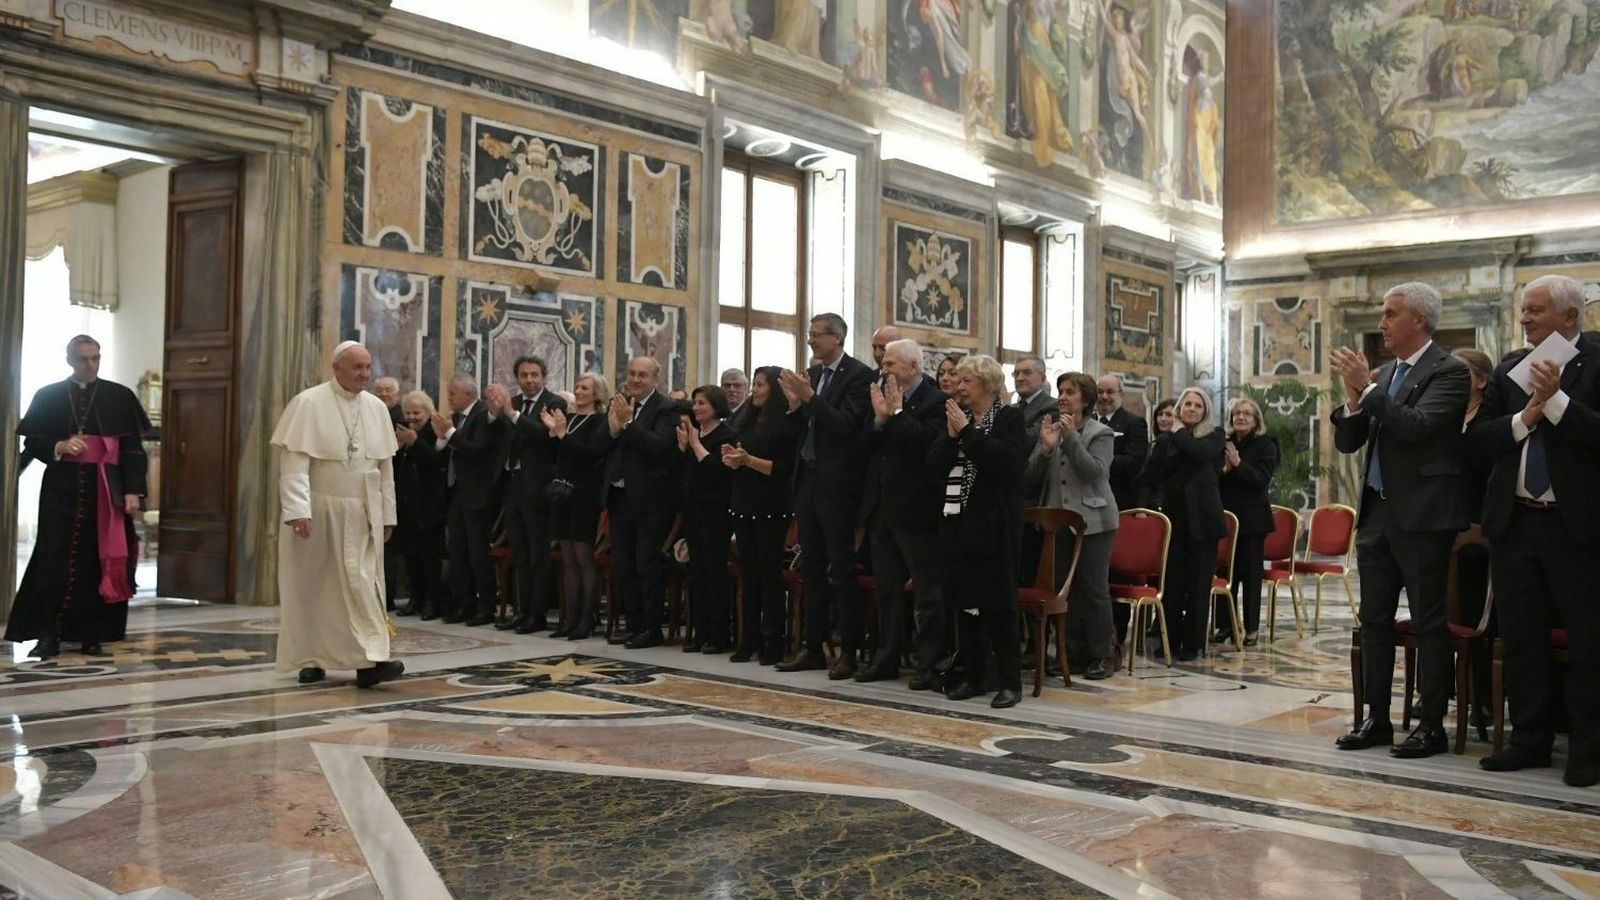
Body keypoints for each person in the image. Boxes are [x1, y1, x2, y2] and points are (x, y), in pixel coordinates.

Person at [1330, 282, 1470, 760]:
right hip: (1377, 512)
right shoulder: (1386, 372)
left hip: (1424, 516)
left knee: (1428, 621)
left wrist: (1368, 390)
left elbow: (1416, 427)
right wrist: (1354, 399)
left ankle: (1431, 725)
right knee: (1374, 619)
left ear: (1420, 320)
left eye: (1391, 314)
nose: (1382, 323)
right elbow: (1349, 442)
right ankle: (1376, 718)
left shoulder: (1449, 371)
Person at [1472, 275, 1599, 787]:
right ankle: (1529, 739)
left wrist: (1557, 402)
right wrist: (1524, 417)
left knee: (1589, 643)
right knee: (1522, 637)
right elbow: (1479, 439)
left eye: (1535, 310)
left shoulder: (1597, 361)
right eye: (1523, 310)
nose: (1524, 318)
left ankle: (1587, 749)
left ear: (1569, 316)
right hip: (1516, 523)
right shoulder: (1510, 367)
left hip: (1578, 528)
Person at [5, 335, 149, 659]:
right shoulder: (49, 395)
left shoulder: (119, 396)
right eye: (84, 359)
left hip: (106, 489)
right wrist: (59, 446)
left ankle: (92, 635)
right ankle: (48, 635)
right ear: (70, 360)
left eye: (96, 358)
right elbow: (33, 442)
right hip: (61, 489)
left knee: (97, 561)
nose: (91, 365)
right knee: (53, 559)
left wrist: (132, 490)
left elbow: (132, 450)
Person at [270, 341, 403, 688]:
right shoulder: (308, 403)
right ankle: (312, 659)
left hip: (361, 513)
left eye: (368, 367)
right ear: (336, 368)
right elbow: (294, 464)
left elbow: (385, 469)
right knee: (315, 588)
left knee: (364, 585)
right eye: (357, 367)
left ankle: (370, 661)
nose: (364, 374)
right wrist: (298, 510)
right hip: (319, 512)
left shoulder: (376, 408)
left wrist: (387, 515)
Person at [776, 313, 874, 677]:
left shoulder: (859, 376)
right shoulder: (812, 375)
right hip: (808, 481)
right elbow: (799, 430)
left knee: (842, 569)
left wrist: (810, 399)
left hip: (839, 486)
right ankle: (813, 646)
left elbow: (845, 426)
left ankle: (848, 651)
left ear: (838, 338)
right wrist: (794, 405)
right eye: (809, 334)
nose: (810, 340)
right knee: (811, 567)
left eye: (817, 335)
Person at [929, 355, 1027, 708]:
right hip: (958, 523)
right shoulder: (961, 419)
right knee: (964, 604)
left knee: (998, 606)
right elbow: (934, 465)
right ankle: (974, 675)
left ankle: (1010, 682)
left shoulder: (1009, 418)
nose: (959, 386)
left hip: (994, 527)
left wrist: (967, 434)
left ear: (987, 384)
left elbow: (1006, 464)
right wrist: (953, 436)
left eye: (966, 381)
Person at [858, 338, 950, 688]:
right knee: (887, 591)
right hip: (882, 508)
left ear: (913, 367)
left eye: (891, 364)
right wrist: (879, 420)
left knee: (927, 593)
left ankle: (928, 664)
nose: (883, 369)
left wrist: (896, 415)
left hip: (918, 511)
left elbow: (929, 446)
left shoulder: (936, 401)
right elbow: (865, 449)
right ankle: (887, 658)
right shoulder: (882, 397)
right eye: (883, 364)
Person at [1025, 371, 1119, 679]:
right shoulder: (1050, 428)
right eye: (1061, 391)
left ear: (1086, 400)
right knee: (1065, 589)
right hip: (1057, 521)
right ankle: (1072, 653)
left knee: (1093, 588)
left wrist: (1072, 439)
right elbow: (1031, 475)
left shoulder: (1100, 432)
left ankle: (1102, 653)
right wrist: (1047, 448)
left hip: (1094, 522)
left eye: (1070, 392)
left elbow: (1096, 473)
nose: (1063, 397)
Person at [604, 356, 685, 649]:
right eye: (632, 374)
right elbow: (605, 445)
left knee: (646, 565)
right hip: (620, 496)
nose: (635, 380)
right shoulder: (622, 403)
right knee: (623, 565)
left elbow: (660, 447)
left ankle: (651, 629)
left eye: (643, 375)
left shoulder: (667, 408)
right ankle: (633, 624)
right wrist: (613, 429)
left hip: (651, 500)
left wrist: (628, 423)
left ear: (655, 379)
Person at [724, 367, 800, 665]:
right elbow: (741, 456)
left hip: (772, 505)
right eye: (754, 384)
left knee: (769, 577)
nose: (754, 390)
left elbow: (783, 470)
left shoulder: (785, 424)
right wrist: (733, 459)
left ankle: (774, 642)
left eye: (759, 385)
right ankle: (748, 640)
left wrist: (748, 460)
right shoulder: (745, 419)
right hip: (743, 501)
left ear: (775, 390)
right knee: (749, 576)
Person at [1144, 387, 1226, 661]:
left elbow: (1199, 454)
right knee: (1173, 584)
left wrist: (1178, 433)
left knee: (1198, 585)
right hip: (1174, 519)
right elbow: (1154, 474)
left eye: (1197, 405)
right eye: (1187, 404)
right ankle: (1170, 640)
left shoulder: (1215, 435)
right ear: (1180, 407)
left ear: (1205, 411)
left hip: (1204, 521)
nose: (1192, 408)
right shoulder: (1166, 439)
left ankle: (1193, 644)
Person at [498, 356, 568, 633]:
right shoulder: (512, 403)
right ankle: (522, 609)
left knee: (538, 554)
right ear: (517, 378)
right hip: (513, 486)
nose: (529, 380)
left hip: (538, 488)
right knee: (520, 553)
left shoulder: (554, 403)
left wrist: (514, 416)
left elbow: (542, 435)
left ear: (544, 377)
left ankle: (537, 613)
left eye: (534, 375)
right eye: (524, 375)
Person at [545, 373, 614, 639]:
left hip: (585, 494)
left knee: (583, 556)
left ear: (597, 393)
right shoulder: (570, 419)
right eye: (577, 387)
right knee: (568, 558)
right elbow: (560, 455)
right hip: (563, 493)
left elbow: (590, 455)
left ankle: (587, 618)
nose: (579, 391)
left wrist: (562, 434)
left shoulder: (601, 421)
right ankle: (569, 618)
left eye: (585, 387)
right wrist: (554, 433)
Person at [432, 373, 504, 626]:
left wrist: (450, 432)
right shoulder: (458, 418)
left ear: (468, 393)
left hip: (479, 495)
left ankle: (486, 606)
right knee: (458, 552)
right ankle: (464, 603)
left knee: (477, 552)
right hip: (458, 493)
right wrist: (443, 436)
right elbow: (449, 451)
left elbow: (476, 449)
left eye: (452, 393)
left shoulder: (482, 414)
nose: (449, 398)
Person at [678, 385, 738, 653]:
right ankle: (700, 633)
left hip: (716, 512)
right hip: (694, 510)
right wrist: (684, 448)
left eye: (702, 403)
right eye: (695, 403)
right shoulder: (696, 433)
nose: (696, 408)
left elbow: (717, 471)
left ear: (716, 405)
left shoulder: (727, 435)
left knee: (715, 573)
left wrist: (694, 445)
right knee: (697, 572)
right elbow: (687, 473)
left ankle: (719, 635)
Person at [1215, 397, 1279, 647]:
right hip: (1226, 519)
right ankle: (1225, 625)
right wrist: (1224, 470)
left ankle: (1251, 628)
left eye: (1246, 414)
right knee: (1225, 573)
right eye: (1236, 413)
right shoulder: (1224, 443)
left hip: (1253, 521)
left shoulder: (1266, 444)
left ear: (1256, 420)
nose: (1240, 417)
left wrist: (1239, 464)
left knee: (1250, 576)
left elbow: (1261, 479)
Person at [1096, 375, 1151, 656]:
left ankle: (1118, 633)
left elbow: (1133, 462)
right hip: (1089, 506)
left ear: (1121, 393)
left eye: (1110, 392)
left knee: (1117, 571)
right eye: (1100, 392)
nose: (1105, 397)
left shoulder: (1134, 424)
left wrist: (1096, 460)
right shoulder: (1089, 422)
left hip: (1120, 505)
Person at [392, 390, 448, 620]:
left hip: (430, 505)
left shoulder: (434, 431)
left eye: (417, 413)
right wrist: (399, 448)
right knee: (410, 555)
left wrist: (414, 443)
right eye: (408, 413)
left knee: (429, 557)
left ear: (428, 412)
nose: (412, 417)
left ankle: (432, 601)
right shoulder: (402, 433)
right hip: (407, 505)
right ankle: (415, 598)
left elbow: (437, 462)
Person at [1011, 354, 1056, 446]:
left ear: (1042, 379)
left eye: (1027, 373)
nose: (1019, 378)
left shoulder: (1052, 406)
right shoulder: (1012, 408)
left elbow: (1029, 440)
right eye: (1016, 374)